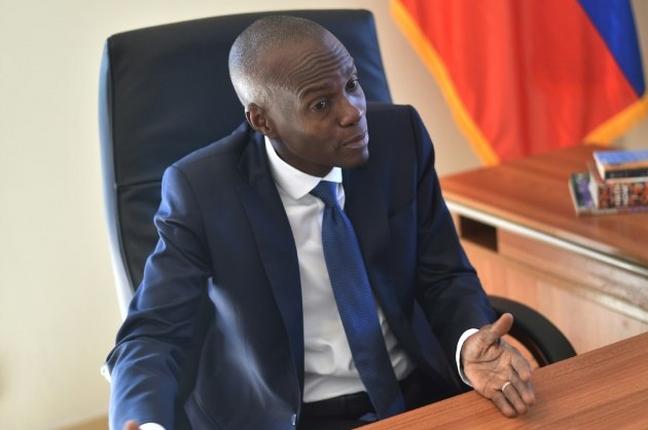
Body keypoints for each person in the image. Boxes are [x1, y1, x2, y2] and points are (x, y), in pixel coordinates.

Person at [107, 15, 535, 430]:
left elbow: (443, 274)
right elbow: (154, 334)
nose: (353, 113)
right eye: (321, 104)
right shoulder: (202, 190)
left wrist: (466, 346)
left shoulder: (399, 137)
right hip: (286, 416)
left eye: (352, 85)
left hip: (416, 396)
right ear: (262, 121)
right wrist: (145, 423)